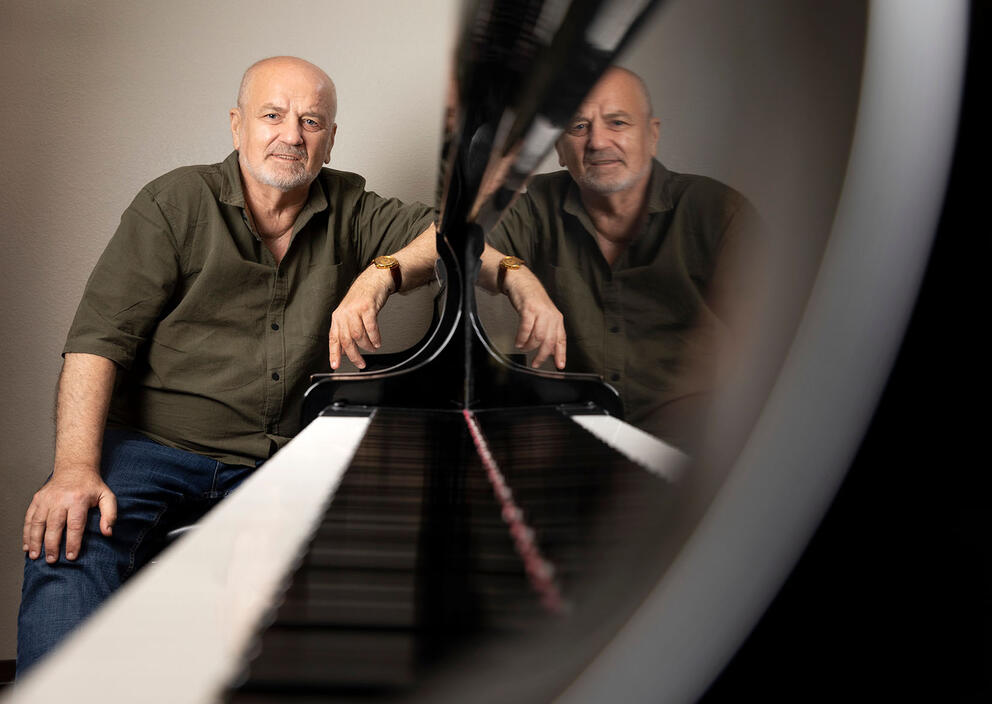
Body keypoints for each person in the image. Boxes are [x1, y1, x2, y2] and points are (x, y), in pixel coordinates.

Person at [16, 56, 564, 674]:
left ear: (330, 140)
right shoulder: (174, 203)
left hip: (276, 461)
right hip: (154, 445)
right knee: (70, 540)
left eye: (311, 121)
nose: (291, 135)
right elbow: (97, 342)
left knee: (334, 574)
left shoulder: (350, 204)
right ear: (237, 125)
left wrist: (473, 278)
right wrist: (74, 470)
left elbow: (452, 236)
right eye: (272, 116)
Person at [485, 67, 761, 438]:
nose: (597, 141)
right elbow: (461, 247)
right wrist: (520, 279)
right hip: (586, 437)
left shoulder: (719, 212)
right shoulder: (537, 202)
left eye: (617, 123)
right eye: (578, 127)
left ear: (652, 136)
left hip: (699, 441)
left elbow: (776, 348)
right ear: (559, 150)